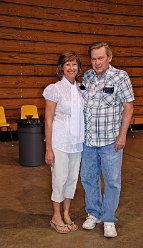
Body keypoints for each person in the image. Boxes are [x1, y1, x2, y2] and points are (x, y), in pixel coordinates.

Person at [80, 42, 134, 238]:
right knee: (87, 178)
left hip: (111, 140)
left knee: (112, 181)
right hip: (88, 141)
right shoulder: (86, 77)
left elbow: (128, 107)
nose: (97, 62)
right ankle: (93, 213)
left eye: (100, 58)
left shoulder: (120, 77)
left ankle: (109, 218)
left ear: (109, 58)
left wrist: (122, 135)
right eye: (93, 59)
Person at [43, 51, 84, 234]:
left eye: (74, 64)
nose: (71, 68)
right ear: (61, 68)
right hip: (59, 143)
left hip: (77, 142)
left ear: (78, 67)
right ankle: (56, 216)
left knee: (71, 180)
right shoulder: (54, 89)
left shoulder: (81, 88)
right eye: (67, 64)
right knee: (59, 179)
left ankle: (66, 213)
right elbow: (49, 120)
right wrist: (48, 148)